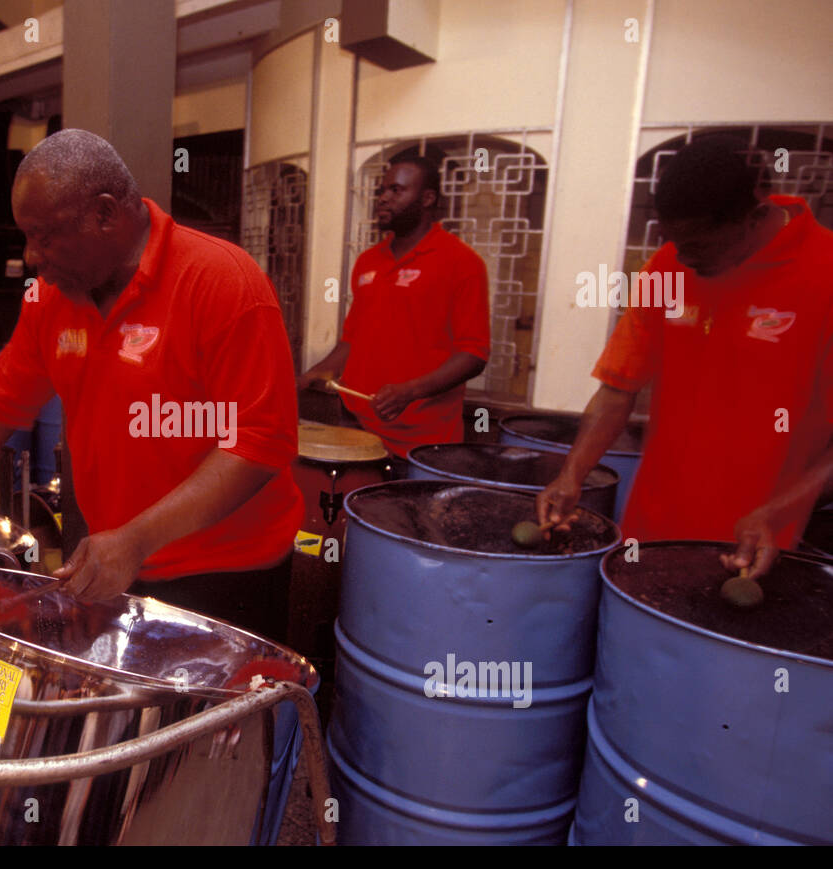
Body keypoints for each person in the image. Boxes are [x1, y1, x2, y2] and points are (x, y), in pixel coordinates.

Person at [0, 129, 303, 641]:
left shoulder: (222, 282)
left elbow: (260, 445)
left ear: (104, 214)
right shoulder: (50, 300)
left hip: (224, 575)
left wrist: (136, 539)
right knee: (129, 722)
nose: (32, 255)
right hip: (119, 560)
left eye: (44, 235)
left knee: (217, 721)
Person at [537, 136, 833, 577]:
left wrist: (775, 514)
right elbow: (618, 388)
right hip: (651, 528)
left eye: (698, 245)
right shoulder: (667, 267)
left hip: (759, 548)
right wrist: (572, 474)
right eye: (674, 242)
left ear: (752, 218)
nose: (683, 257)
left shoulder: (823, 271)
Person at [299, 155, 490, 458]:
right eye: (382, 190)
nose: (383, 199)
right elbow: (352, 340)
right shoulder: (368, 261)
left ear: (427, 198)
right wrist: (315, 373)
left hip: (423, 440)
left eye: (396, 191)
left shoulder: (463, 263)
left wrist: (410, 392)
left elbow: (474, 355)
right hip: (356, 425)